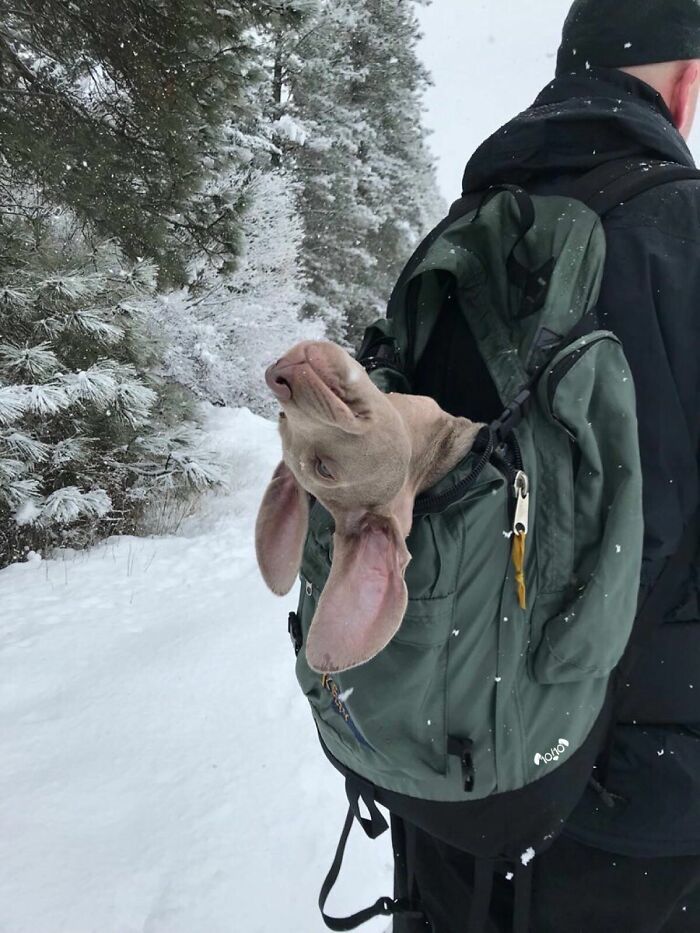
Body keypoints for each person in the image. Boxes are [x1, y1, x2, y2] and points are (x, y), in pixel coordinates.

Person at [392, 1, 700, 930]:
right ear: (683, 84)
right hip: (636, 800)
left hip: (450, 766)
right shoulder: (682, 233)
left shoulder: (463, 229)